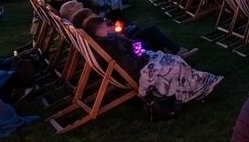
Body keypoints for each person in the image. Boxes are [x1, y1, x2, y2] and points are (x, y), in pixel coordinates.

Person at [81, 16, 219, 103]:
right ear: (98, 31)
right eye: (106, 26)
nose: (109, 27)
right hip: (139, 70)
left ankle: (194, 82)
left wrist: (133, 45)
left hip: (139, 62)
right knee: (175, 62)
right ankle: (195, 87)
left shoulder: (106, 40)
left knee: (170, 59)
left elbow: (129, 46)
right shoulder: (111, 45)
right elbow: (131, 65)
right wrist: (141, 55)